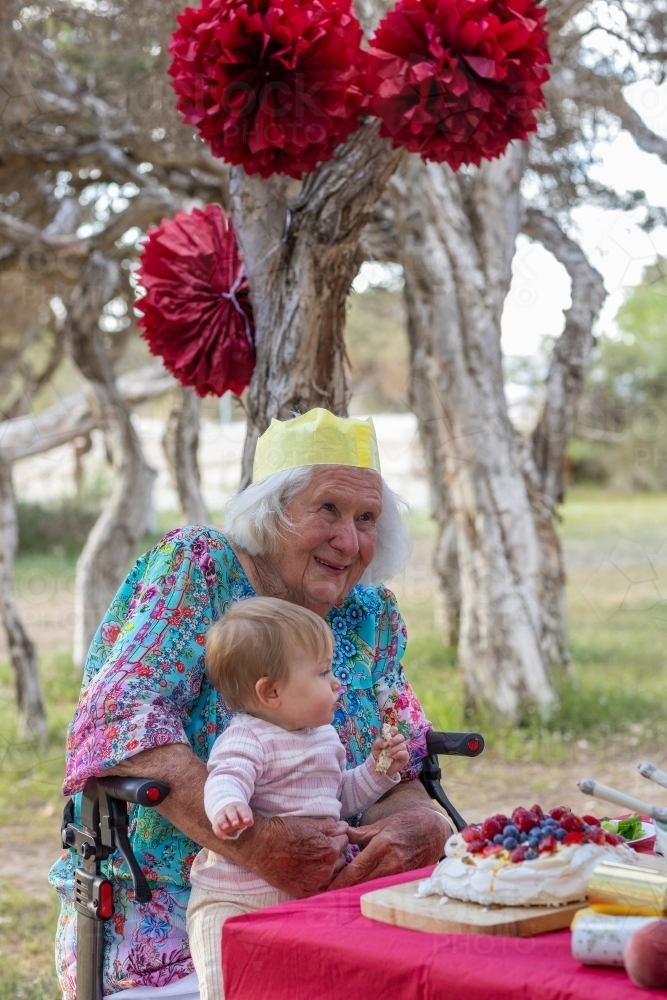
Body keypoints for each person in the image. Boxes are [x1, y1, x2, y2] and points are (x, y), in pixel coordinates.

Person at [49, 407, 451, 999]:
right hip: (179, 921)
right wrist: (258, 843)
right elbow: (119, 714)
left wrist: (420, 824)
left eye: (368, 518)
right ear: (272, 512)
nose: (349, 540)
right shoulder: (201, 567)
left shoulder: (371, 614)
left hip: (338, 910)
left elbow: (398, 757)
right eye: (328, 510)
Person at [187, 595, 409, 1000]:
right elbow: (225, 777)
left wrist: (380, 772)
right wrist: (228, 806)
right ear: (271, 692)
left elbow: (337, 797)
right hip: (233, 901)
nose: (337, 682)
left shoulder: (324, 736)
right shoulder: (247, 737)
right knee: (226, 984)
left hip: (301, 901)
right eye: (323, 673)